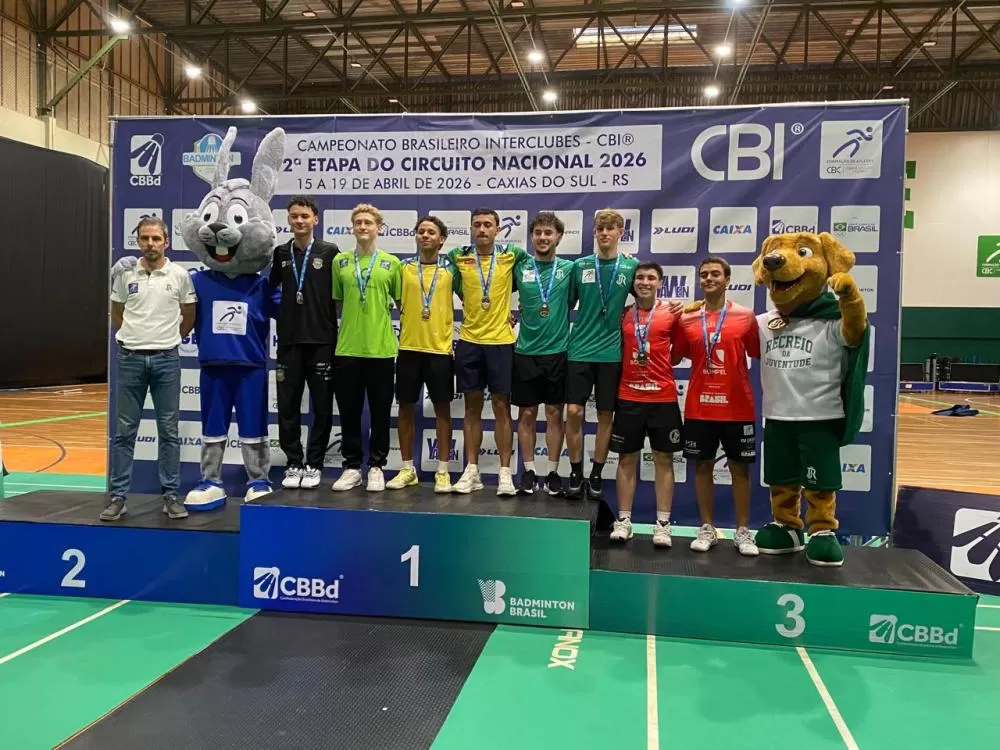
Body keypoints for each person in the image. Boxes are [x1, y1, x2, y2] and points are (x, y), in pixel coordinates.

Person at [103, 216, 196, 521]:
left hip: (166, 360)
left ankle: (170, 495)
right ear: (138, 241)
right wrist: (136, 336)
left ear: (166, 241)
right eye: (145, 239)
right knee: (125, 432)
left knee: (168, 431)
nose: (150, 244)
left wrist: (167, 340)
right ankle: (118, 497)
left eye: (156, 239)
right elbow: (117, 313)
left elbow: (189, 315)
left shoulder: (180, 275)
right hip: (130, 358)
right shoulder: (125, 273)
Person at [672, 256, 761, 556]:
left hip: (738, 407)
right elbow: (674, 356)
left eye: (715, 274)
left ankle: (743, 531)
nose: (708, 279)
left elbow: (759, 351)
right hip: (700, 407)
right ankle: (707, 527)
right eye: (703, 275)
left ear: (727, 279)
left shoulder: (746, 316)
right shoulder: (687, 319)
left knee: (740, 469)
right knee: (702, 467)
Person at [447, 208, 530, 496]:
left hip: (501, 341)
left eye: (488, 225)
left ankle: (505, 473)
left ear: (498, 229)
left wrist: (517, 310)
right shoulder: (458, 256)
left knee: (501, 407)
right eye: (477, 225)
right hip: (469, 339)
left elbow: (536, 276)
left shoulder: (512, 256)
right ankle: (472, 471)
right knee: (471, 407)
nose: (482, 229)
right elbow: (442, 274)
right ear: (471, 228)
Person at [565, 209, 640, 500]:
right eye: (600, 229)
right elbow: (564, 304)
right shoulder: (580, 266)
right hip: (579, 350)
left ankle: (596, 472)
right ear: (594, 233)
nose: (605, 233)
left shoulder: (630, 267)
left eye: (611, 228)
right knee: (573, 412)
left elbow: (645, 299)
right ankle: (574, 469)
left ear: (621, 232)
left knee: (606, 415)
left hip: (611, 353)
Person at [608, 262, 684, 547]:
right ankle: (624, 520)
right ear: (633, 282)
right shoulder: (624, 314)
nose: (644, 282)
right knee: (627, 459)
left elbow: (677, 354)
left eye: (651, 277)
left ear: (659, 283)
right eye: (640, 277)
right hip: (629, 397)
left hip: (662, 397)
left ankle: (663, 524)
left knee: (663, 459)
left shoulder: (673, 313)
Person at [269, 195, 340, 490]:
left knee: (322, 407)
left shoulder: (330, 251)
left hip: (322, 341)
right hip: (289, 342)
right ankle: (294, 462)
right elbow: (270, 289)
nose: (299, 221)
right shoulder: (280, 253)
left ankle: (314, 464)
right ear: (288, 219)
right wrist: (283, 314)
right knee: (288, 406)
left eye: (305, 216)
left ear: (315, 220)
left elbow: (339, 294)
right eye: (294, 216)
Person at [331, 204, 402, 492]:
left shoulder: (391, 263)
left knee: (380, 411)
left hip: (381, 350)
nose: (363, 227)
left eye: (368, 223)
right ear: (352, 227)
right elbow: (337, 302)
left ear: (378, 228)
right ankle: (351, 467)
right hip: (347, 348)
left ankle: (376, 466)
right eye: (358, 222)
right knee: (349, 411)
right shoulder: (340, 263)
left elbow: (400, 303)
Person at [386, 216, 458, 493]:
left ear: (442, 239)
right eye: (421, 232)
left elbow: (474, 298)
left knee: (443, 410)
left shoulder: (452, 270)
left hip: (440, 349)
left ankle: (442, 470)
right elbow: (391, 299)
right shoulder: (403, 268)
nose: (425, 236)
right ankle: (407, 468)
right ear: (416, 236)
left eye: (431, 232)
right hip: (408, 349)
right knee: (405, 408)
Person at [512, 212, 575, 496]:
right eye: (538, 232)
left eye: (548, 233)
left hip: (558, 351)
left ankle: (552, 471)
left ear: (559, 237)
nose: (542, 237)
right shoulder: (520, 267)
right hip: (525, 350)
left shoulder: (570, 269)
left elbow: (578, 300)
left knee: (554, 413)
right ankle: (528, 470)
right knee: (526, 413)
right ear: (531, 236)